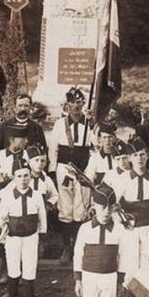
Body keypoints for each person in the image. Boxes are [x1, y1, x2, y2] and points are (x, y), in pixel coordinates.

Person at [0, 158, 47, 297]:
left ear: (30, 176)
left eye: (26, 175)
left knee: (29, 271)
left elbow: (42, 218)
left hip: (31, 238)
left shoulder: (36, 196)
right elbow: (0, 218)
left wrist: (41, 238)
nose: (23, 180)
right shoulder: (8, 197)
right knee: (14, 271)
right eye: (19, 176)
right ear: (14, 178)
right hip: (13, 239)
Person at [114, 136, 149, 297]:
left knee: (148, 269)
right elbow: (113, 204)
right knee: (130, 268)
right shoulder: (124, 179)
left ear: (147, 156)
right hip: (130, 230)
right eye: (135, 155)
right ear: (130, 158)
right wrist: (122, 219)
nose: (139, 159)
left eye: (142, 155)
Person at [48, 87, 93, 263]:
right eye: (73, 102)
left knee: (80, 209)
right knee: (65, 209)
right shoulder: (60, 124)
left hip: (83, 171)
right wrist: (52, 171)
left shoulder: (89, 124)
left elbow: (94, 147)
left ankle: (78, 247)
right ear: (67, 105)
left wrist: (90, 170)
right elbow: (54, 149)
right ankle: (67, 247)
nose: (76, 106)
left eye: (79, 102)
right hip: (64, 169)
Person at [74, 183, 132, 297]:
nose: (106, 212)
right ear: (94, 205)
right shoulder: (85, 229)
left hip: (109, 277)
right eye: (103, 207)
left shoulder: (119, 229)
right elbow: (78, 254)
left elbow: (123, 256)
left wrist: (120, 281)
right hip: (89, 277)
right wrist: (78, 279)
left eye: (110, 208)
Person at [0, 94, 47, 160]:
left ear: (30, 107)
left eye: (26, 106)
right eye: (20, 105)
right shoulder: (4, 127)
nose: (23, 109)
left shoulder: (37, 128)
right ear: (14, 107)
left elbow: (43, 152)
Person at [0, 126, 28, 191]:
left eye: (26, 138)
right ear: (12, 139)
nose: (26, 141)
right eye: (23, 138)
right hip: (5, 192)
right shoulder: (1, 154)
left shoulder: (27, 154)